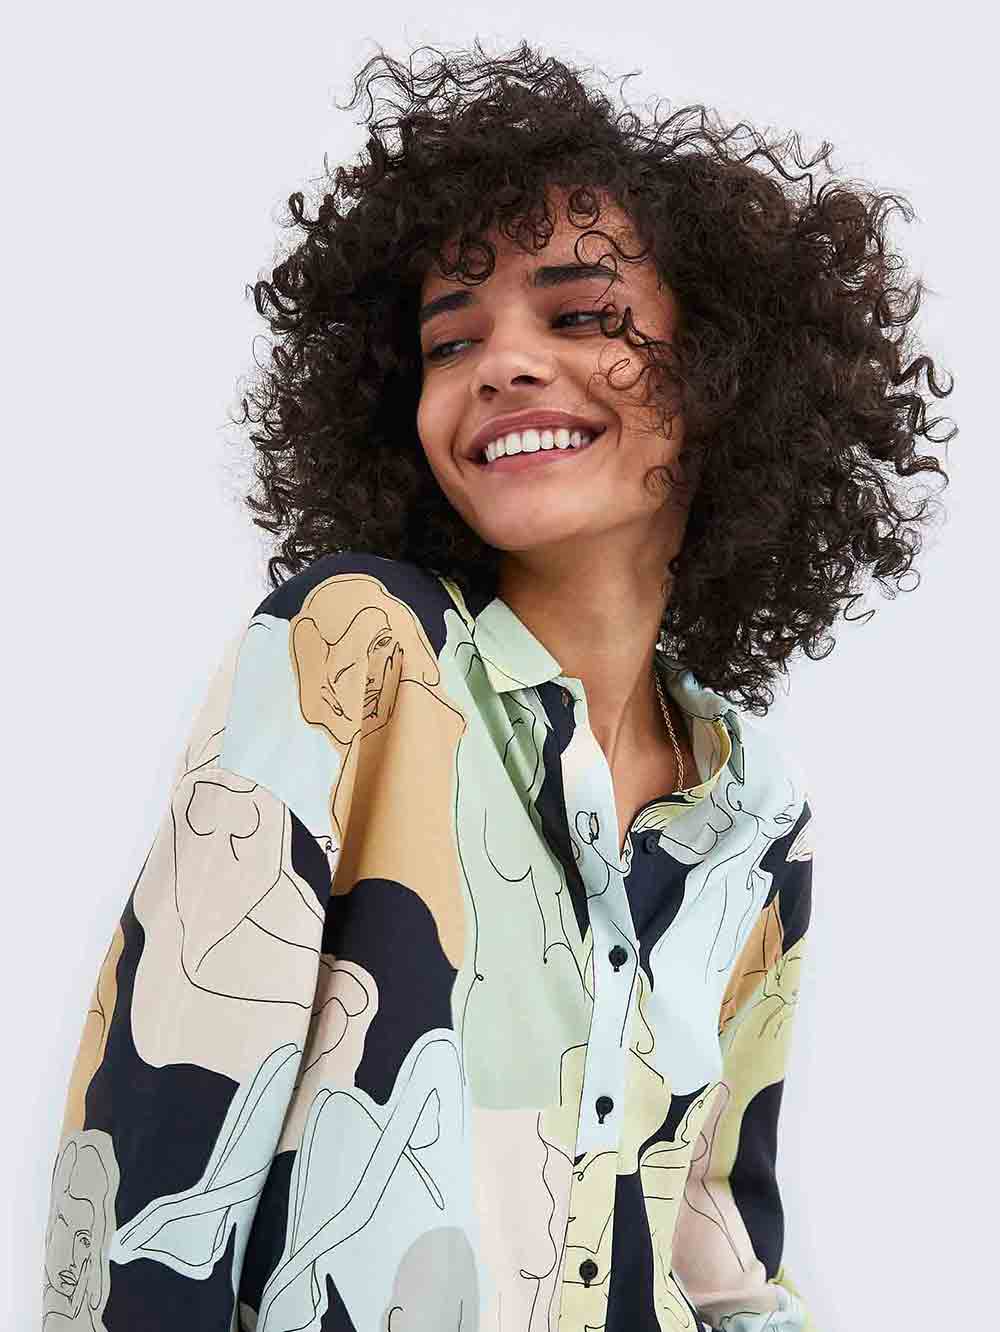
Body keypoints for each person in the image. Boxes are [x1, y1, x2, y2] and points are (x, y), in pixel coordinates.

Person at [42, 39, 954, 1332]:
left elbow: (717, 1240)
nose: (501, 364)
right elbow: (151, 1163)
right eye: (449, 341)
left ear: (724, 373)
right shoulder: (356, 654)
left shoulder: (756, 812)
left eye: (580, 317)